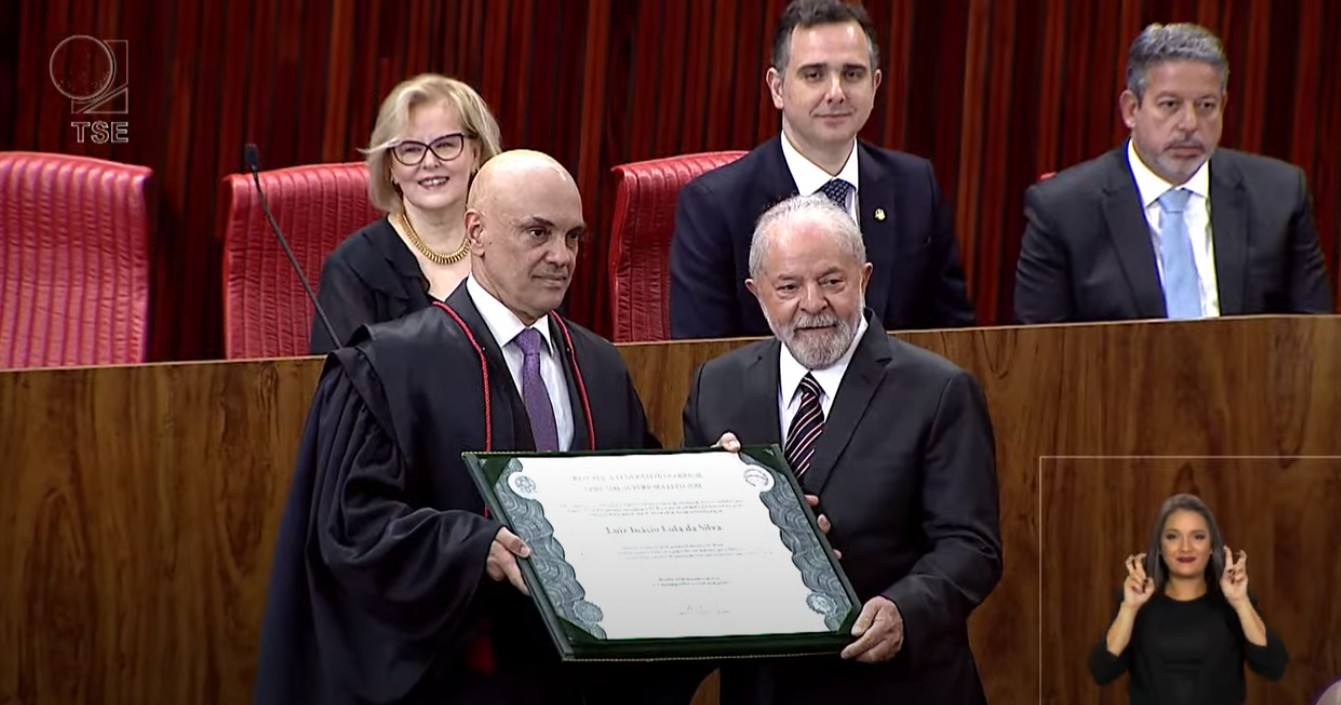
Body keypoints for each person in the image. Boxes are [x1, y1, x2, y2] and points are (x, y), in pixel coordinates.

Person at [255, 150, 687, 705]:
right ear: (476, 232)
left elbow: (639, 502)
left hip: (581, 684)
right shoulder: (387, 367)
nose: (561, 256)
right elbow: (349, 528)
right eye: (538, 233)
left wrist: (717, 488)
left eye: (573, 237)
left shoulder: (600, 367)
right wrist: (472, 546)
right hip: (457, 679)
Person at [680, 193, 1002, 703]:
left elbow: (971, 546)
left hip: (895, 685)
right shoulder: (715, 388)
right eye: (789, 287)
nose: (813, 304)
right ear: (757, 293)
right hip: (767, 687)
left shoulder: (939, 391)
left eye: (832, 282)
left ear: (864, 279)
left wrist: (903, 610)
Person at [667, 0, 974, 340]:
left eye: (852, 74)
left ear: (875, 85)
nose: (836, 93)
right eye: (814, 75)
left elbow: (955, 341)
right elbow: (706, 359)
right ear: (777, 88)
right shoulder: (715, 206)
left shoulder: (916, 188)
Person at [1014, 23, 1332, 323]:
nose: (1189, 124)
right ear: (1131, 109)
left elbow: (1313, 338)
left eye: (1206, 106)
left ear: (1223, 105)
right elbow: (1042, 348)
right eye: (1170, 105)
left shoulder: (1279, 196)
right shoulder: (1063, 210)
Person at [309, 73, 503, 353]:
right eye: (411, 149)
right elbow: (345, 377)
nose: (430, 162)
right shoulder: (352, 268)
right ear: (390, 167)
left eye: (445, 144)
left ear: (476, 154)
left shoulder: (509, 250)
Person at [1089, 493, 1287, 704]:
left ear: (1211, 547)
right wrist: (1129, 608)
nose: (1185, 547)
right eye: (1172, 537)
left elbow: (1274, 667)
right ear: (1159, 547)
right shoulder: (1135, 603)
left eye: (1198, 537)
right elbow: (1102, 671)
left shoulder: (1234, 601)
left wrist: (1240, 602)